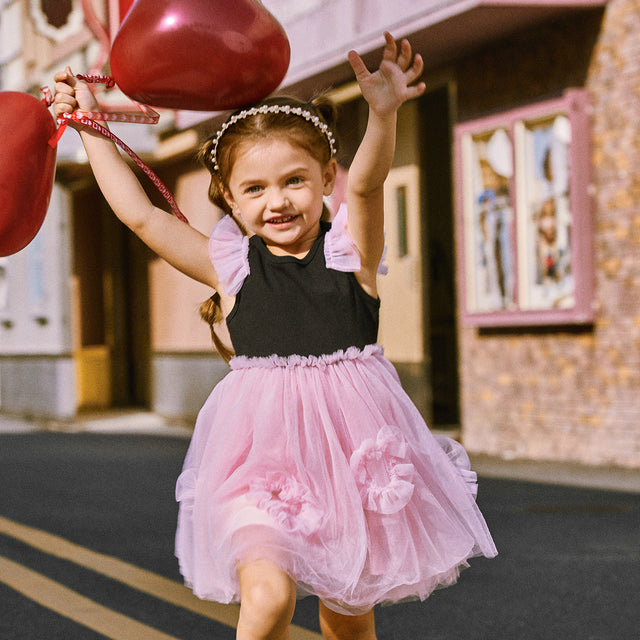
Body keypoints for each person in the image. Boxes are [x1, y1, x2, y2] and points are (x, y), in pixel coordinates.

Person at [54, 32, 497, 640]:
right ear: (231, 202)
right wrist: (91, 127)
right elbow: (142, 214)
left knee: (349, 618)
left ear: (325, 179)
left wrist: (383, 113)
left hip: (350, 458)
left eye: (295, 180)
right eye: (255, 189)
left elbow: (368, 186)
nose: (277, 201)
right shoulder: (231, 266)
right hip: (260, 467)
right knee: (265, 601)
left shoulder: (351, 256)